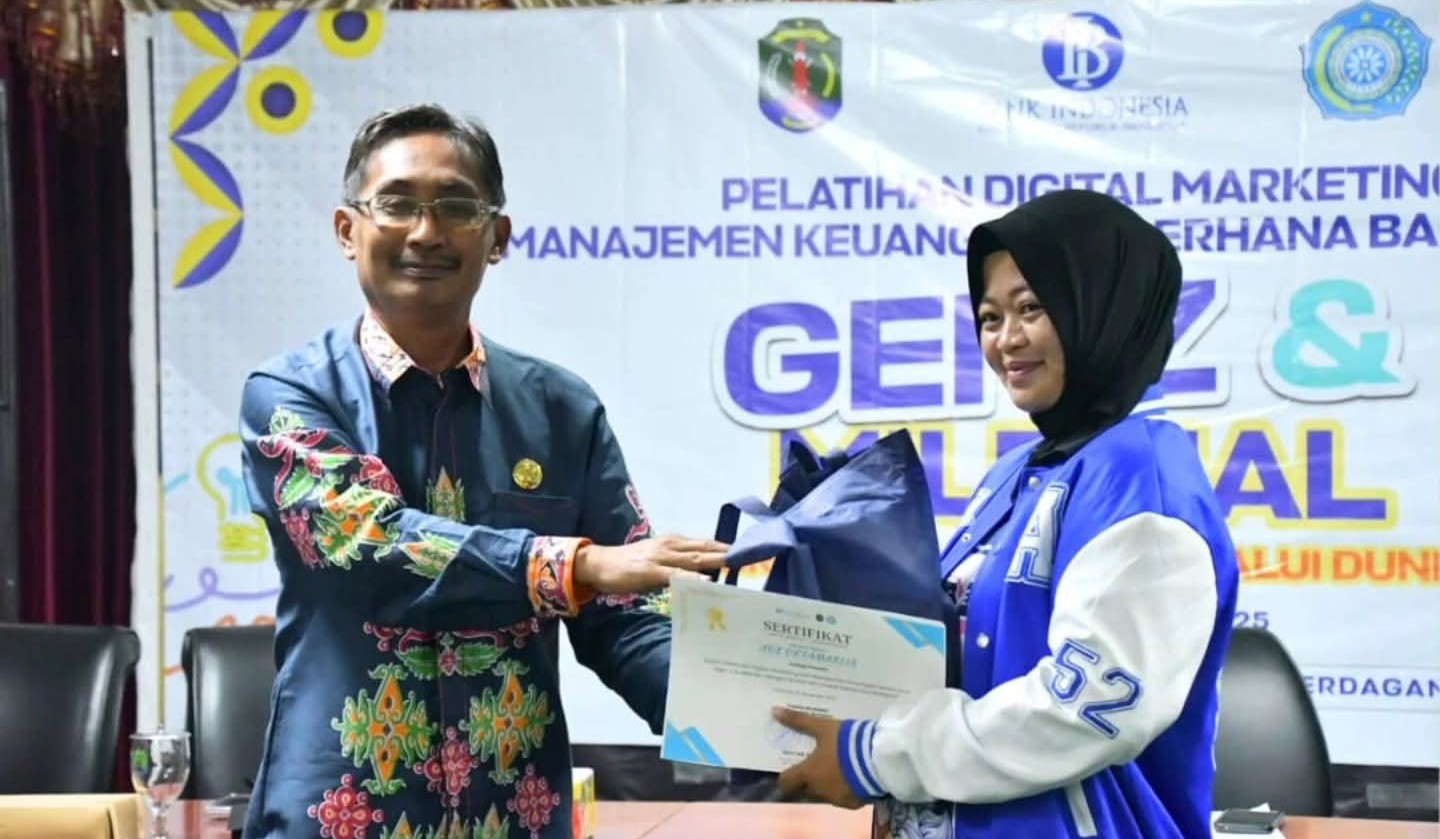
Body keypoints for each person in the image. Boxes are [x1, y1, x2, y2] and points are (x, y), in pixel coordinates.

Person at [239, 103, 728, 839]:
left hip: (515, 815)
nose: (425, 232)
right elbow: (367, 546)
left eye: (456, 206)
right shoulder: (291, 396)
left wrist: (749, 714)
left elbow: (625, 619)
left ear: (497, 237)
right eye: (396, 204)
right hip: (342, 814)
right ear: (348, 231)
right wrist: (575, 565)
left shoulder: (561, 409)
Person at [773, 189, 1239, 839]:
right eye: (990, 317)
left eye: (1032, 308)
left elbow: (1089, 709)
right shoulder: (1018, 471)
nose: (1006, 340)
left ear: (1105, 307)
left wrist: (875, 755)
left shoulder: (1142, 481)